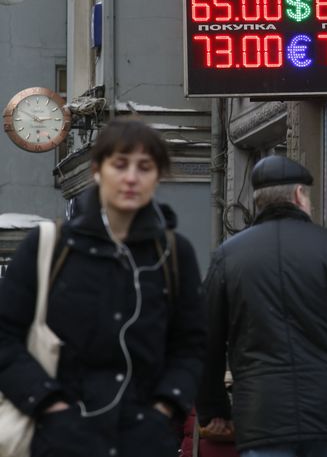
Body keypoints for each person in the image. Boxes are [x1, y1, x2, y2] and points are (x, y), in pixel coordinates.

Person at [0, 118, 207, 457]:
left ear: (157, 177)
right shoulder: (49, 246)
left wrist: (164, 408)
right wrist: (49, 405)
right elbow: (5, 336)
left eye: (145, 167)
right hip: (60, 438)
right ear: (98, 169)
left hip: (143, 440)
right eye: (120, 164)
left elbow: (191, 345)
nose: (131, 178)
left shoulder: (172, 253)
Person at [197, 155, 327, 457]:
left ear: (259, 201)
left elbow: (206, 343)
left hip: (262, 417)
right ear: (300, 195)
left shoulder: (228, 257)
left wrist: (213, 409)